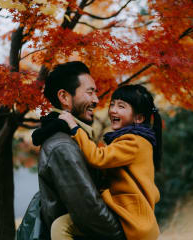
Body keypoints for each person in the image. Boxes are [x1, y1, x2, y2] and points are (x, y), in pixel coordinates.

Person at [31, 61, 126, 240]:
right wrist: (123, 234)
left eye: (95, 93)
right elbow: (89, 211)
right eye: (90, 92)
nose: (96, 100)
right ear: (64, 97)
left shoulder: (74, 138)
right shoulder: (63, 145)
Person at [57, 84, 162, 240]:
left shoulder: (134, 142)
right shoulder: (130, 141)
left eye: (121, 106)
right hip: (128, 218)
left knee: (61, 226)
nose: (113, 110)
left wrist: (73, 126)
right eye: (112, 104)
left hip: (130, 222)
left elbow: (98, 158)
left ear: (138, 118)